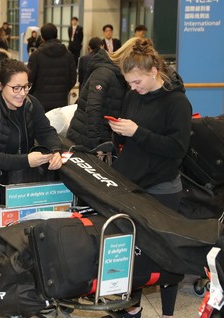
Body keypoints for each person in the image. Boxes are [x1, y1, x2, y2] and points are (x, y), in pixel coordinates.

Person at [109, 37, 191, 318]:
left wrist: (137, 132)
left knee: (166, 255)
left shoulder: (177, 102)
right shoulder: (133, 95)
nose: (133, 88)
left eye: (136, 82)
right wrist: (119, 131)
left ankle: (168, 313)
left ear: (153, 72)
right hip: (133, 183)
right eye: (129, 83)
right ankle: (132, 308)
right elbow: (133, 134)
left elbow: (177, 149)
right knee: (134, 255)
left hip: (163, 188)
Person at [0, 59, 62, 242]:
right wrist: (27, 160)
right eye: (15, 88)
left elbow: (46, 131)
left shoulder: (31, 104)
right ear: (0, 86)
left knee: (17, 235)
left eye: (26, 87)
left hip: (15, 179)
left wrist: (55, 151)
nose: (22, 93)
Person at [67, 37, 134, 150]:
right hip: (85, 141)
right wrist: (97, 145)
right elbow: (93, 108)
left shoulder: (122, 77)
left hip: (103, 139)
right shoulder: (104, 72)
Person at [28, 23, 76, 112]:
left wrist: (34, 93)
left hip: (39, 101)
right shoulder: (68, 54)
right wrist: (64, 90)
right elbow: (73, 78)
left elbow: (29, 79)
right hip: (61, 101)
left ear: (42, 37)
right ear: (56, 35)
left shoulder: (36, 55)